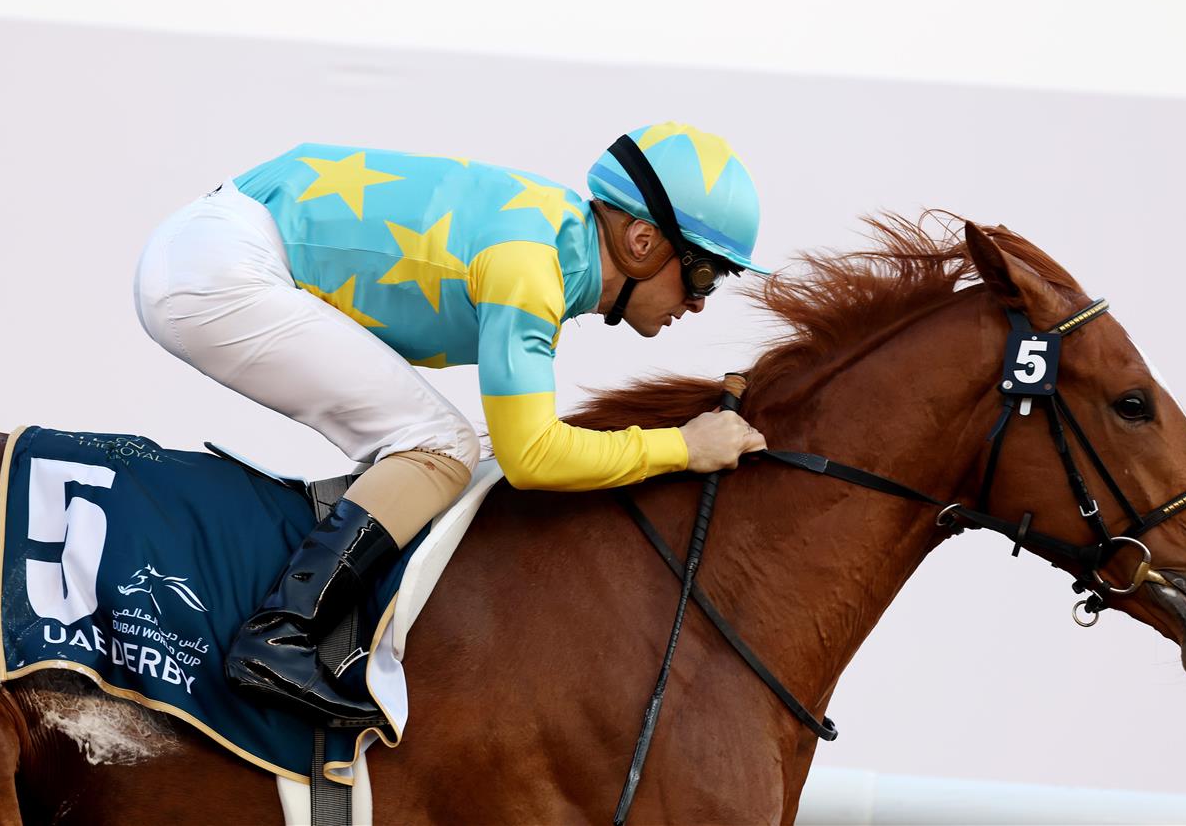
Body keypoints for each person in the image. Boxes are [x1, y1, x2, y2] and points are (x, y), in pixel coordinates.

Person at [132, 122, 769, 723]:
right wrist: (682, 447)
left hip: (218, 244)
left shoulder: (552, 240)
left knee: (464, 446)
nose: (698, 302)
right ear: (642, 241)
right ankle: (281, 632)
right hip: (219, 267)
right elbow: (536, 460)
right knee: (443, 444)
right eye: (703, 274)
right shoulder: (534, 269)